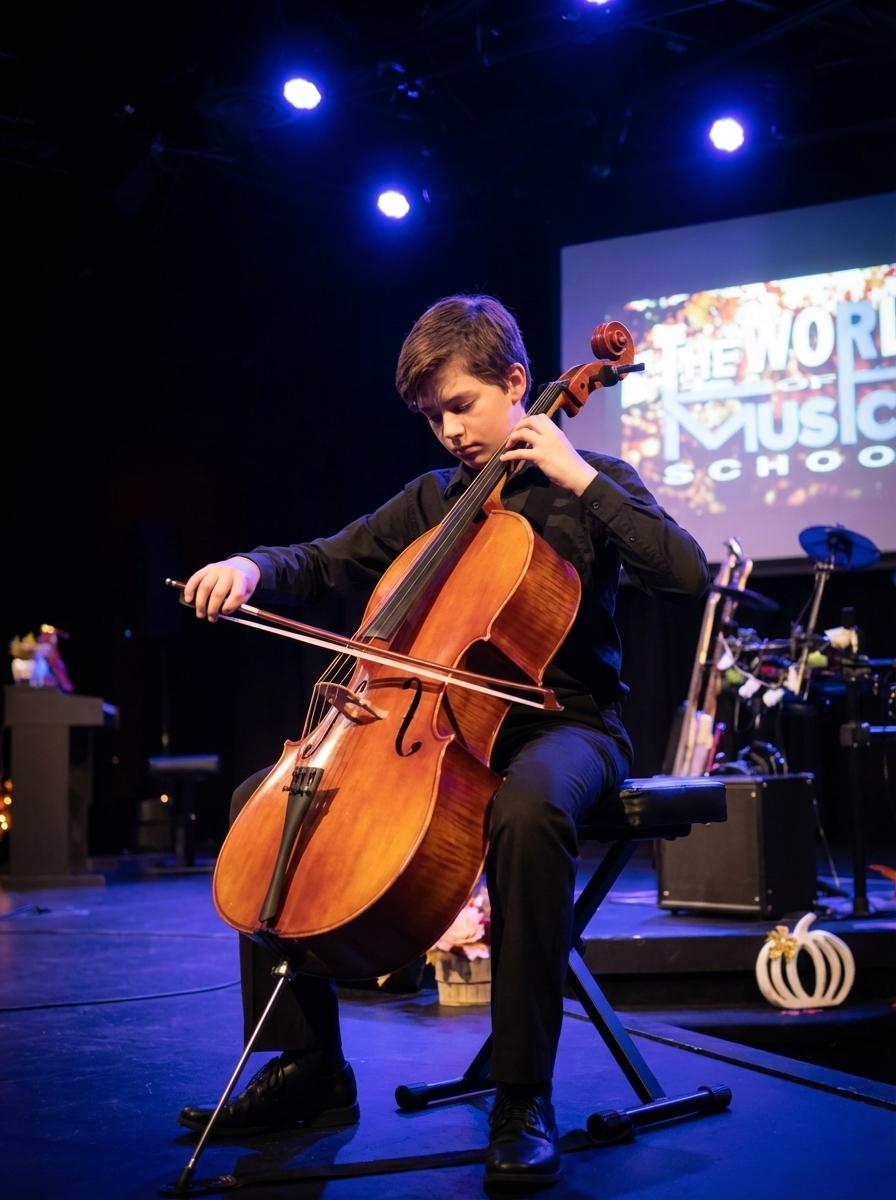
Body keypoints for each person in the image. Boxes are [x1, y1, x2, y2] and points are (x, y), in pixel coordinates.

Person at [178, 294, 709, 1187]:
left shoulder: (596, 481)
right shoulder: (435, 501)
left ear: (514, 382)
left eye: (460, 405)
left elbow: (685, 573)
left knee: (530, 808)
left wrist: (581, 477)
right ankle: (309, 1067)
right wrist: (249, 566)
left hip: (569, 724)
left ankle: (521, 1092)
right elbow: (326, 556)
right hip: (433, 726)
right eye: (432, 416)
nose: (449, 432)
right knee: (263, 805)